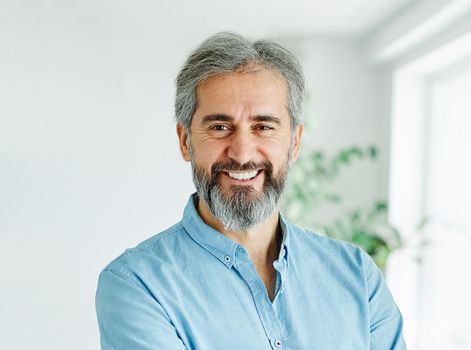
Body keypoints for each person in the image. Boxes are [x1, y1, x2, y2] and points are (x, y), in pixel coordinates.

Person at [95, 32, 406, 350]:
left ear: (294, 142)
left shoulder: (357, 276)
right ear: (185, 140)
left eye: (264, 126)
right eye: (219, 127)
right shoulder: (137, 284)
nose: (242, 153)